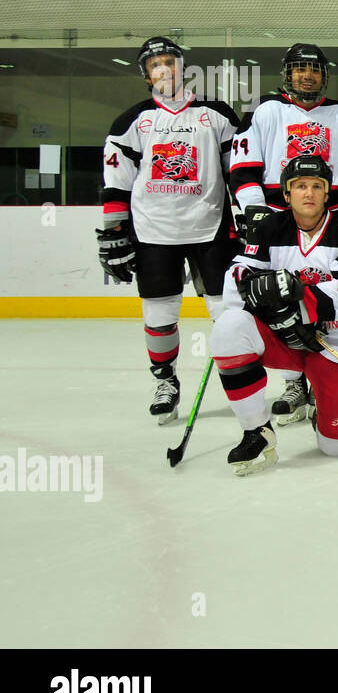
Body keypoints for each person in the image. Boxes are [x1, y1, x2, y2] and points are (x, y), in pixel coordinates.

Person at [229, 42, 338, 424]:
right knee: (283, 299)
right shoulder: (266, 111)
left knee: (336, 295)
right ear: (288, 74)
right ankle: (296, 380)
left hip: (332, 220)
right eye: (299, 68)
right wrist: (255, 214)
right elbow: (245, 168)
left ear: (324, 74)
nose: (307, 74)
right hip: (279, 222)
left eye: (313, 69)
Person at [98, 36, 241, 421]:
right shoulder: (131, 121)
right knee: (159, 314)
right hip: (152, 231)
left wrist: (251, 217)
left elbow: (241, 173)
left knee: (227, 313)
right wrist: (114, 232)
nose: (164, 69)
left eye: (169, 62)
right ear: (147, 75)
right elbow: (117, 182)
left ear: (182, 68)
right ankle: (166, 380)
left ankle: (237, 374)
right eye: (155, 65)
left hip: (210, 228)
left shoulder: (218, 114)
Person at [211, 155, 338, 476]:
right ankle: (256, 430)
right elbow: (234, 286)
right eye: (300, 186)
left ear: (328, 193)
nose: (309, 193)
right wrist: (263, 289)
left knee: (335, 448)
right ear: (287, 194)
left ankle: (324, 406)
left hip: (336, 347)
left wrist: (293, 298)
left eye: (317, 186)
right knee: (229, 325)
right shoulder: (271, 225)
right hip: (286, 341)